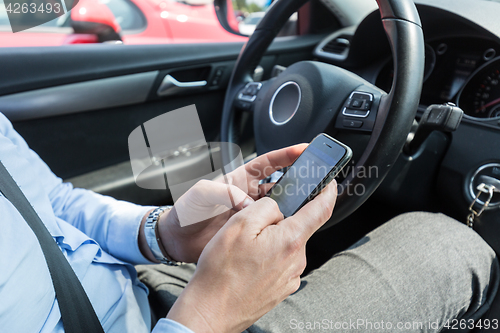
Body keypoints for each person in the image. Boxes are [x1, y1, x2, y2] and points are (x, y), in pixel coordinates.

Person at [0, 110, 498, 333]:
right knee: (450, 245)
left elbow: (53, 203)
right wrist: (208, 317)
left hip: (139, 286)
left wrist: (162, 232)